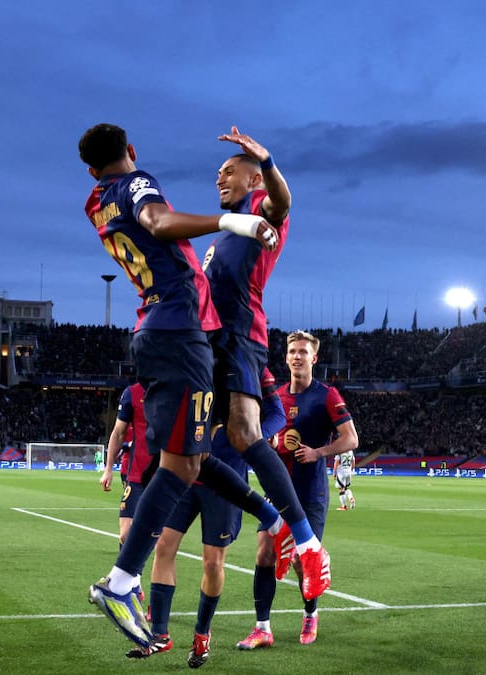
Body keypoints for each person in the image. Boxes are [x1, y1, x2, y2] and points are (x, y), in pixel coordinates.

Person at [80, 123, 303, 651]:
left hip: (151, 331)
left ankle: (270, 517)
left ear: (92, 170)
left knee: (191, 460)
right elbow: (158, 221)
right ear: (131, 152)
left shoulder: (96, 202)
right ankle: (120, 581)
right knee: (182, 466)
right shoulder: (136, 186)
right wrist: (234, 221)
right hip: (181, 332)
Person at [204, 126, 331, 586]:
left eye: (228, 171)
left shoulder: (260, 209)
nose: (219, 178)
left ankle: (307, 543)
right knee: (192, 453)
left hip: (240, 336)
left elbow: (284, 202)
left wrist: (267, 160)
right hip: (210, 344)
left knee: (245, 434)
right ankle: (275, 521)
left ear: (252, 180)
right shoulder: (221, 233)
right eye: (217, 173)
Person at [135, 369, 285, 668]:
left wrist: (250, 439)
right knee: (163, 546)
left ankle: (202, 635)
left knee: (213, 562)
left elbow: (277, 415)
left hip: (226, 480)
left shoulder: (250, 365)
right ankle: (160, 633)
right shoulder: (194, 357)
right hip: (185, 473)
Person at [237, 330, 358, 650]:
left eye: (303, 352)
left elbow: (351, 438)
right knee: (263, 552)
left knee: (304, 562)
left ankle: (310, 614)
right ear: (286, 357)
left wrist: (318, 452)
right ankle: (262, 627)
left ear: (314, 358)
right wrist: (271, 441)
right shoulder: (275, 397)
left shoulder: (327, 395)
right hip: (278, 489)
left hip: (311, 492)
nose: (296, 356)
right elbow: (262, 435)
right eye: (292, 351)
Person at [99, 382, 152, 546]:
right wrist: (108, 469)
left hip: (166, 474)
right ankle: (128, 569)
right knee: (126, 534)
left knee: (163, 540)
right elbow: (118, 433)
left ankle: (131, 570)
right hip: (137, 474)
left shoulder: (176, 388)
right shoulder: (133, 392)